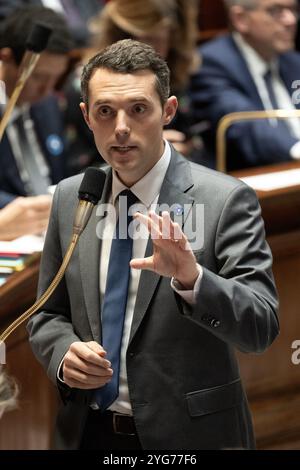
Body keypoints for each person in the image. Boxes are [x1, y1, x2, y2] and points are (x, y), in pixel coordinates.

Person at [28, 39, 279, 450]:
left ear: (168, 111)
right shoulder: (72, 197)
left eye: (138, 109)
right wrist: (63, 353)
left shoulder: (224, 200)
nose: (121, 127)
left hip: (190, 436)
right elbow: (46, 314)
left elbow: (261, 329)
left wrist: (192, 277)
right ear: (86, 116)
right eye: (105, 111)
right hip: (86, 432)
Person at [63, 0, 202, 175]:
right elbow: (77, 168)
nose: (145, 52)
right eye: (106, 111)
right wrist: (143, 153)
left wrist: (170, 156)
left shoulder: (175, 75)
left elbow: (197, 145)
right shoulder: (85, 85)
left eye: (158, 41)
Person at [191, 0, 300, 170]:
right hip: (251, 183)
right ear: (240, 18)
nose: (290, 20)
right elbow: (243, 124)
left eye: (293, 10)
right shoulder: (212, 63)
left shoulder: (293, 62)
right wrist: (296, 149)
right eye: (275, 10)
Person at [0, 5, 73, 208]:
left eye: (55, 78)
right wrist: (17, 207)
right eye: (38, 77)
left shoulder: (48, 105)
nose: (47, 89)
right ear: (6, 58)